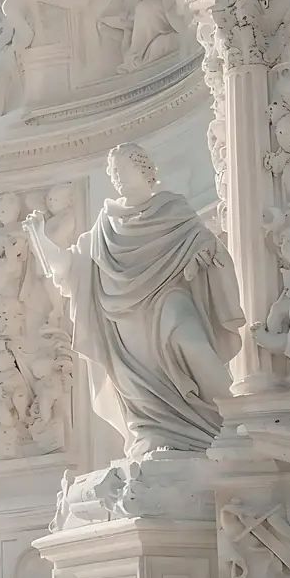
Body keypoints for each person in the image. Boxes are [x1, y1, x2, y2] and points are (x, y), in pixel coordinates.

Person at [24, 142, 245, 459]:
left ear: (145, 170)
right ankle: (159, 433)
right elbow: (69, 267)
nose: (117, 177)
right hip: (123, 324)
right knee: (143, 397)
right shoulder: (106, 225)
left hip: (169, 299)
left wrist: (203, 255)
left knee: (191, 340)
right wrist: (40, 237)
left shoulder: (173, 211)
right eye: (113, 172)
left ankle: (234, 420)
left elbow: (205, 244)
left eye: (123, 169)